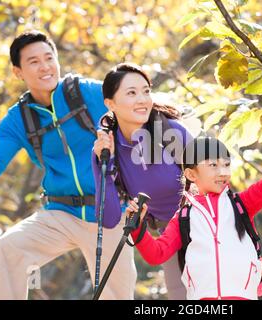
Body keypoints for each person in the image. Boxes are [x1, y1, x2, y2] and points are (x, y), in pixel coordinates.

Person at [0, 30, 134, 300]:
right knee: (10, 247)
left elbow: (136, 115)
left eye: (49, 58)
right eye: (33, 62)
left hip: (108, 209)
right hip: (60, 212)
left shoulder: (87, 92)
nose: (45, 67)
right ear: (18, 71)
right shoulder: (18, 118)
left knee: (116, 295)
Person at [125, 136, 262, 300]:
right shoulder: (184, 216)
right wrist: (136, 225)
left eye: (226, 164)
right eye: (213, 165)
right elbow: (157, 254)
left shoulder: (241, 204)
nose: (223, 172)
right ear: (191, 174)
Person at [92, 63, 193, 299]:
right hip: (168, 235)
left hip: (204, 223)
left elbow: (215, 182)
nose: (142, 99)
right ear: (110, 103)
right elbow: (108, 219)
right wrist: (104, 164)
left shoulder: (172, 133)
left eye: (146, 91)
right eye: (131, 93)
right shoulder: (107, 147)